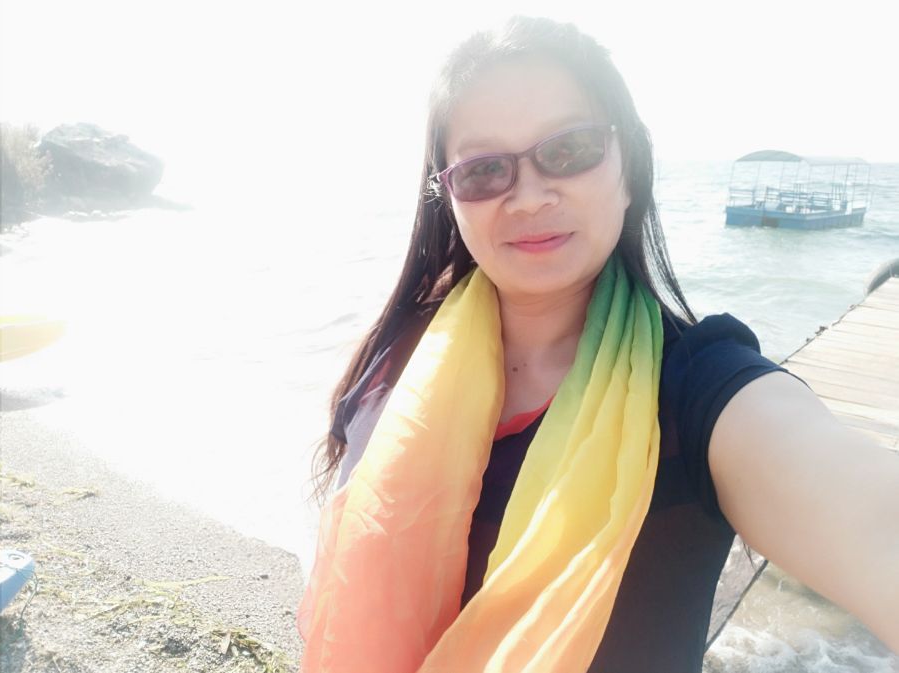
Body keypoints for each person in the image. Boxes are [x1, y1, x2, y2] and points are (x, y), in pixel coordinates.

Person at [297, 16, 899, 673]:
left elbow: (870, 519)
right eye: (485, 170)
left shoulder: (698, 395)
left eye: (570, 149)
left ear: (629, 166)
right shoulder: (398, 356)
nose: (529, 197)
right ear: (450, 195)